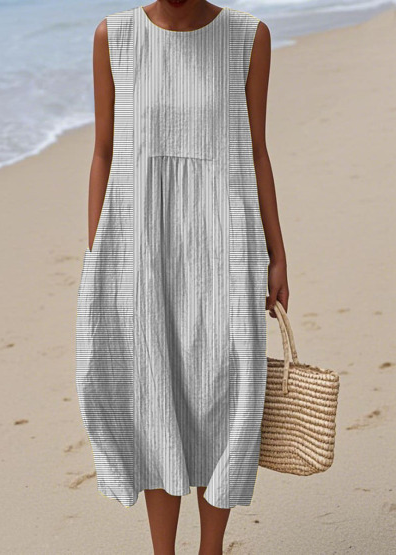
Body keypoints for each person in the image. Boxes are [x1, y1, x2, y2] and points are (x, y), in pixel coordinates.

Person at [76, 2, 289, 554]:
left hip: (227, 241)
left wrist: (277, 253)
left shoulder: (248, 37)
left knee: (226, 389)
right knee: (154, 391)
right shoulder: (114, 36)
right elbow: (103, 152)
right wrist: (98, 253)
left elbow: (257, 152)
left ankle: (210, 550)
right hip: (141, 245)